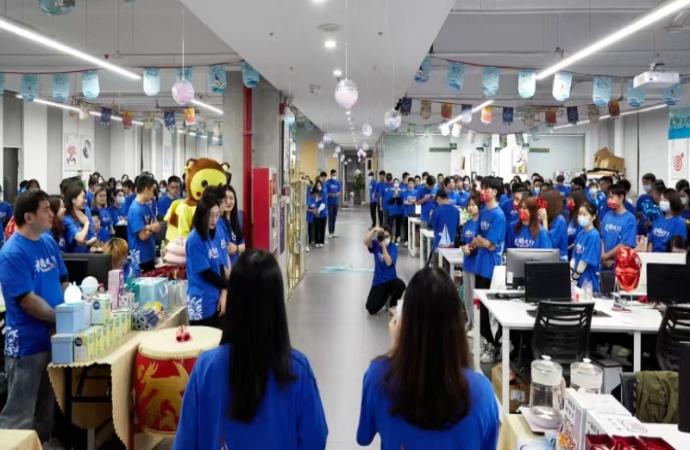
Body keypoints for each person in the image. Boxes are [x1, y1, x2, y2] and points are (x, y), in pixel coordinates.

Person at [174, 250, 328, 450]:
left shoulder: (206, 367)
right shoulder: (296, 369)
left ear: (233, 300)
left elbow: (185, 443)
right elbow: (315, 440)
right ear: (276, 303)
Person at [357, 268, 499, 450]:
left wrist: (396, 351)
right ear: (457, 326)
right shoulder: (482, 393)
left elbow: (364, 436)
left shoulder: (378, 377)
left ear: (404, 323)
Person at [0, 190, 68, 444]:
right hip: (26, 345)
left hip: (51, 339)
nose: (51, 214)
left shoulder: (48, 242)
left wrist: (70, 307)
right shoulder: (12, 253)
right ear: (28, 217)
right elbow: (28, 302)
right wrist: (62, 319)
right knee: (19, 415)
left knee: (44, 413)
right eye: (45, 210)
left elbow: (63, 280)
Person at [472, 177, 506, 364]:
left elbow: (490, 244)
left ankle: (493, 346)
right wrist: (481, 241)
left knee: (488, 310)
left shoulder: (499, 216)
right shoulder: (484, 211)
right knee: (480, 308)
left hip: (491, 267)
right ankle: (485, 341)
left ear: (495, 192)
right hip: (479, 263)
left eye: (486, 188)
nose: (483, 191)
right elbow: (477, 237)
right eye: (482, 188)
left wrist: (482, 241)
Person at [185, 192, 230, 327]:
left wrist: (224, 292)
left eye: (216, 215)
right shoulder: (194, 239)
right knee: (203, 338)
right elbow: (206, 273)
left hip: (215, 296)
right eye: (210, 215)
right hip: (200, 300)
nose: (214, 220)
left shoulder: (214, 233)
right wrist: (227, 285)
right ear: (202, 215)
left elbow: (220, 265)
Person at [364, 225, 406, 315]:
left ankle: (392, 304)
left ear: (391, 237)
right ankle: (386, 296)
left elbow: (388, 262)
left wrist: (383, 247)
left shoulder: (393, 247)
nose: (384, 238)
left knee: (401, 285)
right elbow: (365, 241)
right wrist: (374, 230)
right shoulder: (376, 245)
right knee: (371, 308)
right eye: (383, 236)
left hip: (391, 279)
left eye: (387, 236)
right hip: (378, 282)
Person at [127, 174, 159, 273]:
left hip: (150, 255)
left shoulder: (146, 206)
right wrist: (151, 228)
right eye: (152, 191)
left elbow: (157, 226)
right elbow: (142, 236)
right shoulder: (135, 209)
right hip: (140, 259)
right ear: (146, 190)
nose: (153, 195)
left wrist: (149, 227)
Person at [601, 183, 637, 269]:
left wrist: (606, 256)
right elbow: (602, 238)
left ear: (621, 197)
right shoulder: (607, 216)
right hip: (604, 264)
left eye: (611, 197)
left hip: (620, 266)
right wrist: (603, 257)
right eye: (608, 198)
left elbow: (626, 244)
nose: (609, 200)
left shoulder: (630, 218)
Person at [571, 202, 602, 293]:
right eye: (580, 214)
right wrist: (570, 272)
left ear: (593, 217)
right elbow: (574, 256)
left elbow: (584, 262)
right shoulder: (580, 233)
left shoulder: (594, 236)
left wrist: (574, 277)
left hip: (588, 281)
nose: (581, 217)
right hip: (578, 281)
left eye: (584, 214)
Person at [461, 192, 481, 329]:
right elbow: (463, 241)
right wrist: (464, 247)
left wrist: (472, 249)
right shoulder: (467, 223)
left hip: (476, 265)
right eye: (469, 205)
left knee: (475, 296)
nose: (470, 208)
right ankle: (469, 321)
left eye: (473, 205)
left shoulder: (481, 224)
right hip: (466, 263)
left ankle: (476, 325)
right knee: (467, 295)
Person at [62, 183, 98, 253]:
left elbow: (94, 236)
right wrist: (86, 223)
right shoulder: (67, 219)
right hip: (74, 257)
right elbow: (80, 238)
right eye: (83, 197)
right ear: (73, 200)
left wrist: (85, 243)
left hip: (86, 255)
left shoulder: (86, 213)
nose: (85, 200)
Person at [215, 185, 246, 266]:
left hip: (237, 268)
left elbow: (246, 244)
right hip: (226, 269)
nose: (228, 202)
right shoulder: (217, 222)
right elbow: (227, 249)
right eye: (225, 198)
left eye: (231, 198)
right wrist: (239, 248)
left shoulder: (238, 218)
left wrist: (237, 248)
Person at [540, 189, 568, 260]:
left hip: (558, 259)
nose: (541, 205)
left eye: (543, 202)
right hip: (544, 257)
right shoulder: (548, 217)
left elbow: (550, 245)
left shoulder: (560, 220)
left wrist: (544, 221)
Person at [566, 190, 587, 255]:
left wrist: (566, 249)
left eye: (570, 200)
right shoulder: (571, 217)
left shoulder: (582, 219)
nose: (568, 202)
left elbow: (580, 240)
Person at [384, 177, 403, 241]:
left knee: (398, 226)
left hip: (399, 211)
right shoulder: (389, 190)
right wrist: (393, 197)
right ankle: (390, 237)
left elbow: (402, 201)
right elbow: (388, 201)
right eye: (395, 182)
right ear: (393, 183)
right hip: (391, 211)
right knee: (390, 225)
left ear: (399, 183)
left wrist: (397, 197)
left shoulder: (401, 191)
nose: (396, 184)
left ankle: (397, 237)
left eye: (397, 182)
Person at [324, 169, 342, 238]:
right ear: (331, 175)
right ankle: (330, 233)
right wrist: (331, 194)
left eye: (335, 175)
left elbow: (339, 190)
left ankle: (333, 232)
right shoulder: (327, 183)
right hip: (329, 204)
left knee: (334, 218)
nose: (335, 176)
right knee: (330, 218)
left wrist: (337, 194)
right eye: (334, 175)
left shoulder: (337, 182)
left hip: (335, 203)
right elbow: (326, 192)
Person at [310, 180, 327, 248]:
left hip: (322, 213)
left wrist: (318, 210)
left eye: (320, 185)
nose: (318, 187)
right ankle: (317, 241)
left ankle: (321, 241)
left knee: (322, 228)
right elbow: (312, 202)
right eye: (317, 186)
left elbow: (324, 203)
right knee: (316, 228)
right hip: (315, 213)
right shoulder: (314, 193)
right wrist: (314, 209)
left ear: (321, 186)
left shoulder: (324, 192)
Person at [401, 177, 417, 245]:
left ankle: (414, 241)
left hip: (415, 213)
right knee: (407, 228)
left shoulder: (417, 192)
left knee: (415, 228)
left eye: (412, 183)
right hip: (406, 213)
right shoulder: (404, 192)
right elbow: (405, 202)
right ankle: (407, 240)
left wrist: (410, 201)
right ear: (407, 184)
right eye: (409, 183)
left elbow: (417, 201)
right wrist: (413, 201)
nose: (410, 184)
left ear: (414, 184)